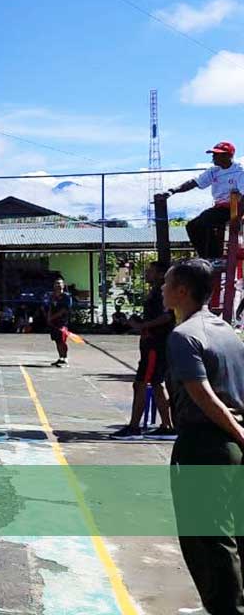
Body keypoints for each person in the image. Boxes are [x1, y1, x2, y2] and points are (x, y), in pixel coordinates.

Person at [161, 258, 244, 614]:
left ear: (182, 290)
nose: (161, 289)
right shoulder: (226, 331)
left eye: (166, 283)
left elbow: (203, 396)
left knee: (208, 539)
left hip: (205, 444)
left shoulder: (184, 336)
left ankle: (226, 609)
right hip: (233, 443)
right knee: (233, 533)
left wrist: (238, 433)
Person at [114, 263, 177, 440]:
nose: (147, 273)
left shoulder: (163, 292)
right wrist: (132, 322)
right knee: (156, 384)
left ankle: (134, 427)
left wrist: (143, 325)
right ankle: (167, 426)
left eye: (150, 271)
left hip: (155, 345)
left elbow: (167, 316)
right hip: (150, 344)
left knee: (141, 384)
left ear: (160, 274)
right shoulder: (155, 291)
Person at [166, 142, 244, 261]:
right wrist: (172, 191)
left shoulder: (239, 171)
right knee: (192, 225)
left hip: (234, 208)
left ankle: (214, 257)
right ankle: (206, 256)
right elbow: (194, 182)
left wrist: (238, 216)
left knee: (206, 220)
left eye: (217, 154)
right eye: (213, 154)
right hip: (219, 208)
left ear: (228, 156)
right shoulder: (213, 171)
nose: (213, 157)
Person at [44, 278, 74, 367]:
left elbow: (64, 310)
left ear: (63, 285)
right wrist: (49, 318)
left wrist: (53, 317)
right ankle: (61, 357)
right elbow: (50, 307)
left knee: (62, 340)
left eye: (60, 283)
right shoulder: (52, 296)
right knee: (57, 340)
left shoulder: (66, 297)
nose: (58, 285)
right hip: (54, 322)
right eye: (56, 283)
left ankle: (65, 358)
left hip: (62, 322)